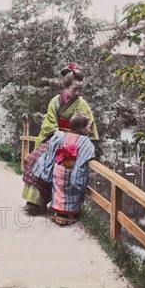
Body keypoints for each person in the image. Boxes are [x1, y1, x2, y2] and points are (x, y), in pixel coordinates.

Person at [21, 64, 98, 215]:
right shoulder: (55, 102)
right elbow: (49, 124)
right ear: (66, 86)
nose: (78, 92)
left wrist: (73, 136)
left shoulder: (82, 104)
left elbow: (88, 125)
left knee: (64, 167)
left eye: (80, 89)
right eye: (74, 88)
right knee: (36, 158)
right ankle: (34, 202)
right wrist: (59, 135)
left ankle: (62, 206)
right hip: (55, 138)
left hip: (73, 141)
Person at [31, 113, 96, 225]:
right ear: (81, 128)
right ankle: (68, 213)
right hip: (70, 169)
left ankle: (58, 212)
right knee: (71, 190)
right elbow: (88, 153)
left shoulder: (63, 136)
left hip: (59, 167)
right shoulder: (85, 141)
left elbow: (53, 145)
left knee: (59, 188)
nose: (90, 129)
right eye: (88, 127)